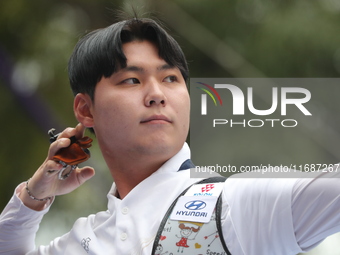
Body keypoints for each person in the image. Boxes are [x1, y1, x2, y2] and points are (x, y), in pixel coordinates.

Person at [1, 17, 340, 255]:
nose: (156, 94)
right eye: (132, 80)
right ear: (86, 111)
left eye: (170, 79)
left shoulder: (233, 205)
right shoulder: (87, 239)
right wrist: (32, 198)